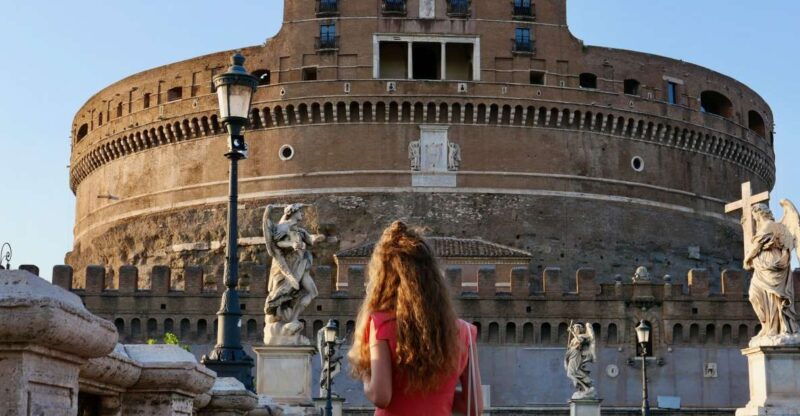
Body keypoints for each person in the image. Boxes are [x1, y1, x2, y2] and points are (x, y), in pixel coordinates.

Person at [348, 221, 483, 416]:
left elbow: (381, 396)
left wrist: (366, 376)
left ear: (385, 277)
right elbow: (474, 407)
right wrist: (439, 399)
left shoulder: (381, 324)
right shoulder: (465, 332)